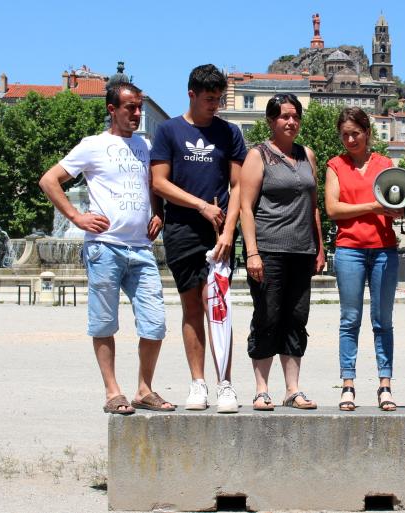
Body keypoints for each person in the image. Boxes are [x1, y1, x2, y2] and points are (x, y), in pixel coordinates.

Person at [39, 82, 173, 415]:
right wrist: (75, 216)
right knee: (104, 322)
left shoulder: (146, 145)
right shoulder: (93, 145)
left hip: (141, 249)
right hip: (104, 247)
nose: (137, 113)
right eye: (130, 107)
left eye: (139, 107)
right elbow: (49, 180)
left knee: (155, 323)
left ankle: (144, 389)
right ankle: (113, 392)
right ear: (112, 110)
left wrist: (159, 213)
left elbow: (154, 185)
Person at [150, 64, 246, 413]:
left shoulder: (230, 132)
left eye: (219, 99)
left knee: (219, 308)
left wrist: (229, 230)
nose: (214, 105)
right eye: (209, 99)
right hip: (181, 230)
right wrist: (201, 206)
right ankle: (198, 383)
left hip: (219, 232)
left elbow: (238, 187)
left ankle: (226, 384)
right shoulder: (168, 131)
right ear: (191, 93)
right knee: (192, 308)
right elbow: (159, 182)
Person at [240, 93, 325, 410]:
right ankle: (262, 389)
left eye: (295, 116)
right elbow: (246, 209)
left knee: (296, 318)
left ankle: (293, 388)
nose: (291, 122)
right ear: (271, 121)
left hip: (302, 251)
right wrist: (252, 252)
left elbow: (313, 206)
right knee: (267, 316)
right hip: (269, 250)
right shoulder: (258, 155)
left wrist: (319, 247)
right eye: (284, 116)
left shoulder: (307, 155)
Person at [325, 107, 402, 411]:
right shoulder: (335, 165)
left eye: (355, 133)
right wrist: (373, 205)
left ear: (368, 133)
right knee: (350, 319)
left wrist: (399, 209)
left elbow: (397, 199)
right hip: (349, 249)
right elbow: (332, 209)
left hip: (384, 248)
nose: (350, 139)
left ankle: (385, 383)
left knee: (383, 320)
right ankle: (348, 383)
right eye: (344, 134)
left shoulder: (385, 164)